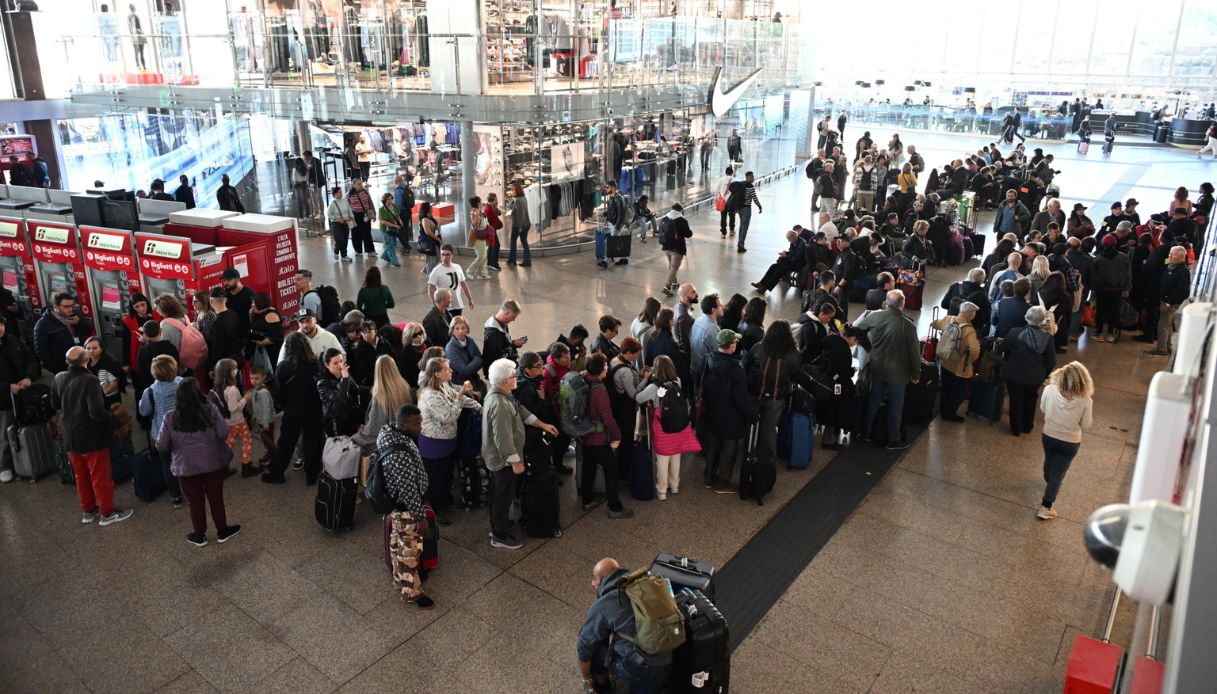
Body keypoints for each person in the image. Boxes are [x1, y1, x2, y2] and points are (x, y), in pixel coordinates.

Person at [483, 358, 559, 549]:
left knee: (499, 492)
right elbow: (503, 438)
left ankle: (497, 524)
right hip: (504, 461)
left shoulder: (504, 394)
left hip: (501, 458)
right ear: (504, 381)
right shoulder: (499, 404)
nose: (516, 377)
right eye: (512, 375)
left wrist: (542, 425)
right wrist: (515, 462)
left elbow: (521, 411)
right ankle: (499, 534)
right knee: (503, 496)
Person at [52, 347, 131, 526]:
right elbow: (96, 411)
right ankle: (107, 513)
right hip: (91, 436)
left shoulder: (58, 378)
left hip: (70, 435)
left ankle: (88, 511)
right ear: (86, 360)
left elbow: (54, 403)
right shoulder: (90, 380)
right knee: (100, 476)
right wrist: (112, 419)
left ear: (67, 362)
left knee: (81, 476)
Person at [157, 377, 240, 546]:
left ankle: (199, 535)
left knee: (195, 502)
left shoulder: (170, 417)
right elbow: (223, 432)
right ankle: (222, 530)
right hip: (213, 463)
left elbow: (162, 445)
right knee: (216, 498)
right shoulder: (210, 409)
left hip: (186, 467)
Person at [577, 557, 672, 693]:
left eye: (594, 578)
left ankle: (603, 687)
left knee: (595, 650)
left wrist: (586, 678)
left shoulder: (604, 604)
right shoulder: (645, 583)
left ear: (603, 579)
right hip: (667, 656)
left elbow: (584, 647)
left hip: (639, 666)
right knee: (647, 684)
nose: (593, 584)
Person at [377, 404, 435, 608]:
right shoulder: (399, 454)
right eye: (416, 424)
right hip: (406, 508)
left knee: (397, 543)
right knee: (409, 550)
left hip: (396, 504)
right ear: (402, 424)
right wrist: (420, 517)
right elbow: (408, 488)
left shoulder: (388, 433)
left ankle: (398, 578)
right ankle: (412, 592)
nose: (420, 426)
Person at [854, 290, 921, 450]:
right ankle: (893, 439)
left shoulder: (874, 316)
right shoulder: (908, 325)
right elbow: (914, 353)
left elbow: (857, 330)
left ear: (887, 302)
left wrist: (869, 347)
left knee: (873, 401)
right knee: (895, 407)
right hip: (898, 373)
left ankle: (866, 432)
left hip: (877, 368)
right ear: (903, 305)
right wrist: (915, 374)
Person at [417, 356, 481, 515]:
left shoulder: (443, 385)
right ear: (437, 374)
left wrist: (479, 407)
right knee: (435, 480)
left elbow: (458, 396)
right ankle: (434, 512)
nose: (450, 371)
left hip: (447, 441)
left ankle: (445, 502)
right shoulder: (430, 395)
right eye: (446, 369)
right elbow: (448, 416)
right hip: (434, 445)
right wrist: (459, 397)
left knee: (445, 477)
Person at [698, 330, 759, 494]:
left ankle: (708, 478)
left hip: (711, 414)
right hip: (731, 419)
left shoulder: (707, 360)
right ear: (731, 345)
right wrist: (752, 415)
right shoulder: (736, 369)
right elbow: (741, 398)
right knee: (728, 452)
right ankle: (722, 484)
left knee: (712, 448)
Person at [263, 333, 325, 485]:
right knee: (313, 441)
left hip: (292, 409)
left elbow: (278, 393)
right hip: (314, 408)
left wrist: (286, 406)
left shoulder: (283, 366)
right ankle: (312, 474)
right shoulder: (316, 363)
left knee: (286, 441)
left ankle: (277, 472)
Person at [578, 354, 634, 518]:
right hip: (597, 436)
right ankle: (614, 507)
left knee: (589, 466)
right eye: (605, 365)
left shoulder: (583, 379)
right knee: (611, 468)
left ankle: (587, 500)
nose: (608, 367)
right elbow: (607, 418)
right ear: (600, 369)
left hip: (584, 433)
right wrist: (618, 435)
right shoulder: (599, 390)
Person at [1037, 362, 1094, 520]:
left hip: (1048, 435)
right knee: (1058, 474)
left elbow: (1042, 408)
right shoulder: (1086, 400)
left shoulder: (1049, 390)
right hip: (1070, 441)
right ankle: (1045, 506)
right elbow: (1086, 425)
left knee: (1049, 461)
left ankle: (1049, 480)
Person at [742, 321, 800, 459]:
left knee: (750, 426)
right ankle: (768, 461)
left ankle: (748, 456)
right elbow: (795, 374)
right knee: (769, 430)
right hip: (776, 397)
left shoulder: (758, 348)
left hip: (754, 393)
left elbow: (747, 366)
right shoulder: (794, 354)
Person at [998, 306, 1057, 437]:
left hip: (1014, 374)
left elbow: (1001, 348)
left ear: (1026, 318)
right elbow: (1051, 361)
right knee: (1031, 399)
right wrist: (1044, 373)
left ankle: (1015, 429)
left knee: (1015, 400)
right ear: (1043, 320)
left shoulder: (1015, 332)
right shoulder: (1048, 338)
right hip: (1035, 376)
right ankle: (1027, 426)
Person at [0, 318, 37, 483]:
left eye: (0, 325)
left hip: (22, 392)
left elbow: (30, 358)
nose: (0, 329)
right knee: (4, 432)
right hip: (3, 398)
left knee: (24, 426)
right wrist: (8, 387)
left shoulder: (12, 340)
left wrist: (29, 377)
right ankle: (5, 465)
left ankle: (27, 459)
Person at [931, 302, 981, 422]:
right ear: (971, 314)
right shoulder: (969, 330)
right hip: (959, 366)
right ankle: (949, 414)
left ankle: (943, 410)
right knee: (958, 393)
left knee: (946, 388)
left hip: (944, 360)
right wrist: (971, 360)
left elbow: (934, 324)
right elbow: (975, 349)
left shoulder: (949, 318)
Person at [211, 358, 254, 474]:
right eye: (234, 369)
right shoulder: (232, 389)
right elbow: (233, 408)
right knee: (247, 440)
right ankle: (246, 465)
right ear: (229, 372)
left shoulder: (218, 387)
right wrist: (245, 399)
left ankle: (224, 466)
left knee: (230, 442)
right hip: (237, 421)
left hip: (226, 421)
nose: (236, 370)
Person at [33, 292, 94, 374]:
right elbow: (42, 352)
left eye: (71, 306)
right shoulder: (42, 325)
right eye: (66, 307)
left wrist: (80, 322)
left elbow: (89, 330)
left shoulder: (74, 314)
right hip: (63, 367)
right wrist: (55, 369)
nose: (70, 309)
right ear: (56, 307)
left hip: (83, 361)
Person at [1149, 246, 1191, 357]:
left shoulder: (1182, 272)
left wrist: (1167, 302)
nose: (1170, 256)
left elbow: (1181, 292)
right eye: (1170, 253)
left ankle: (1161, 349)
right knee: (1166, 325)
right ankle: (1166, 346)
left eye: (1173, 254)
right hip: (1166, 300)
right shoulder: (1172, 267)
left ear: (1182, 257)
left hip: (1170, 303)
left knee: (1163, 326)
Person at [1091, 235, 1131, 342]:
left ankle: (1099, 333)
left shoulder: (1098, 258)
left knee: (1101, 311)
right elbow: (1128, 274)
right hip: (1117, 290)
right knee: (1114, 311)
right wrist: (1126, 288)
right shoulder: (1123, 257)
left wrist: (1093, 289)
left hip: (1101, 290)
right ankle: (1110, 334)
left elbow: (1094, 275)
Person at [317, 348, 362, 443]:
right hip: (337, 424)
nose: (340, 365)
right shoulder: (322, 383)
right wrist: (345, 379)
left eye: (341, 361)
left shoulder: (344, 374)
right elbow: (340, 399)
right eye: (335, 363)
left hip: (351, 417)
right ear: (326, 365)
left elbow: (355, 390)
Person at [120, 292, 160, 378]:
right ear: (132, 307)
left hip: (156, 356)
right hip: (137, 357)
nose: (141, 309)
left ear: (147, 302)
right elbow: (125, 343)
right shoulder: (128, 321)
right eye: (137, 306)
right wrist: (126, 363)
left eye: (143, 304)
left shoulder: (157, 316)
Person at [206, 288, 244, 377]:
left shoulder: (217, 322)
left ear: (211, 301)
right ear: (225, 300)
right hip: (236, 358)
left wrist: (213, 367)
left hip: (225, 365)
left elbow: (217, 348)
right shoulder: (233, 314)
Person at [427, 245, 476, 315]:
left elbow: (463, 284)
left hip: (457, 304)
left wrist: (470, 299)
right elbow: (431, 288)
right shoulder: (436, 270)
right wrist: (435, 304)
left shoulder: (457, 267)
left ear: (452, 255)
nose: (444, 257)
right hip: (444, 306)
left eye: (447, 255)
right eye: (442, 255)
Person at [246, 364, 278, 467]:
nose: (253, 381)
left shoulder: (263, 392)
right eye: (251, 378)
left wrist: (265, 423)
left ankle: (273, 457)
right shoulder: (256, 389)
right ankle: (270, 453)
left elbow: (266, 409)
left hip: (266, 422)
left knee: (268, 440)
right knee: (265, 440)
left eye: (256, 378)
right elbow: (257, 405)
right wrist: (255, 414)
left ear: (263, 377)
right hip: (261, 420)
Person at [658, 204, 693, 296]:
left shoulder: (665, 218)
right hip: (677, 248)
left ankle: (674, 283)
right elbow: (688, 234)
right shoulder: (682, 220)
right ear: (680, 210)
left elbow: (660, 231)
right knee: (674, 267)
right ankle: (667, 287)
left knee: (671, 265)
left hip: (666, 247)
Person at [482, 300, 526, 373]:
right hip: (499, 370)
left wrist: (513, 343)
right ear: (507, 313)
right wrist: (513, 345)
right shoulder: (493, 333)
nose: (514, 320)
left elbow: (502, 344)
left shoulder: (501, 324)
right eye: (513, 317)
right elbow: (496, 357)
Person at [445, 315, 484, 392]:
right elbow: (464, 371)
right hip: (460, 384)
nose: (460, 331)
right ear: (452, 331)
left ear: (467, 329)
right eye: (457, 328)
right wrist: (477, 360)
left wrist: (477, 361)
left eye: (463, 328)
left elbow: (481, 360)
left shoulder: (470, 340)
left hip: (474, 378)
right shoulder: (450, 348)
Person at [83, 336, 126, 407]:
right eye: (88, 348)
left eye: (94, 348)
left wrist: (99, 395)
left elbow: (113, 385)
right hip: (94, 397)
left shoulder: (110, 364)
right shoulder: (85, 363)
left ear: (101, 349)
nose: (91, 351)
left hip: (109, 398)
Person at [248, 292, 282, 373]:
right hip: (261, 349)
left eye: (253, 302)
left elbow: (278, 336)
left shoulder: (271, 315)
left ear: (260, 302)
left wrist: (262, 343)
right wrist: (251, 314)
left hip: (270, 351)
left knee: (270, 372)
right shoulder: (258, 312)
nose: (252, 305)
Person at [728, 171, 762, 252]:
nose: (753, 178)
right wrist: (759, 206)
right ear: (748, 177)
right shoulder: (750, 187)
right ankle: (741, 245)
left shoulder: (741, 184)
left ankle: (740, 243)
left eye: (753, 176)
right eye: (751, 177)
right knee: (745, 227)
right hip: (747, 209)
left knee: (742, 226)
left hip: (740, 209)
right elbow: (755, 198)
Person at [347, 179, 376, 257]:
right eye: (358, 184)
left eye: (361, 184)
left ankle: (370, 250)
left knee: (367, 232)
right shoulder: (349, 194)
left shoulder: (365, 192)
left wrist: (374, 213)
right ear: (354, 185)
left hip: (365, 214)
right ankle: (358, 250)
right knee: (356, 233)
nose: (360, 186)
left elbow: (370, 202)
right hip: (355, 216)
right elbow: (347, 206)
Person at [506, 182, 533, 266]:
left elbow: (521, 214)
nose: (512, 191)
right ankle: (527, 261)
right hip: (527, 224)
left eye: (513, 190)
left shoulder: (518, 200)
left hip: (519, 225)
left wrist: (520, 227)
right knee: (524, 241)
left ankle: (512, 260)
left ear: (516, 190)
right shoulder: (523, 198)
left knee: (513, 241)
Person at [327, 186, 354, 262]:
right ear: (335, 194)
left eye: (341, 192)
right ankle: (336, 250)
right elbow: (329, 214)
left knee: (345, 240)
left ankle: (344, 255)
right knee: (339, 239)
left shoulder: (345, 201)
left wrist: (352, 218)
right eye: (339, 192)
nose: (341, 193)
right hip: (336, 224)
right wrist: (337, 219)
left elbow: (349, 210)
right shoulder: (333, 203)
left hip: (346, 223)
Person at [466, 196, 491, 278]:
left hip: (483, 236)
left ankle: (481, 273)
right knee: (481, 256)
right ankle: (470, 270)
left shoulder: (479, 211)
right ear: (478, 203)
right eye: (481, 201)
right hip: (477, 237)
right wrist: (477, 217)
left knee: (483, 256)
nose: (482, 203)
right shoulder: (474, 212)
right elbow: (475, 225)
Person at [378, 192, 403, 268]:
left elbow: (397, 215)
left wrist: (400, 221)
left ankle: (385, 256)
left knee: (393, 243)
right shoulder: (382, 209)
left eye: (391, 199)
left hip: (394, 229)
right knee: (390, 245)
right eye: (388, 199)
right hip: (386, 230)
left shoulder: (394, 206)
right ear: (384, 200)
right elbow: (383, 221)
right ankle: (394, 262)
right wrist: (394, 225)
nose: (390, 200)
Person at [482, 192, 504, 271]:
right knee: (496, 246)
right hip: (490, 231)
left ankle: (490, 263)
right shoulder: (488, 209)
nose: (497, 201)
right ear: (492, 200)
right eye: (496, 199)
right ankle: (493, 264)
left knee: (492, 246)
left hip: (492, 230)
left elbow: (499, 213)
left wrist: (495, 207)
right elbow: (487, 221)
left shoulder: (492, 207)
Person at [717, 167, 736, 237]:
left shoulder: (721, 179)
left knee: (723, 216)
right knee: (732, 215)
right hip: (731, 201)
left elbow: (717, 189)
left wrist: (716, 198)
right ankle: (731, 230)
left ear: (725, 172)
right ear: (732, 172)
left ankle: (723, 233)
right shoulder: (734, 180)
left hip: (723, 200)